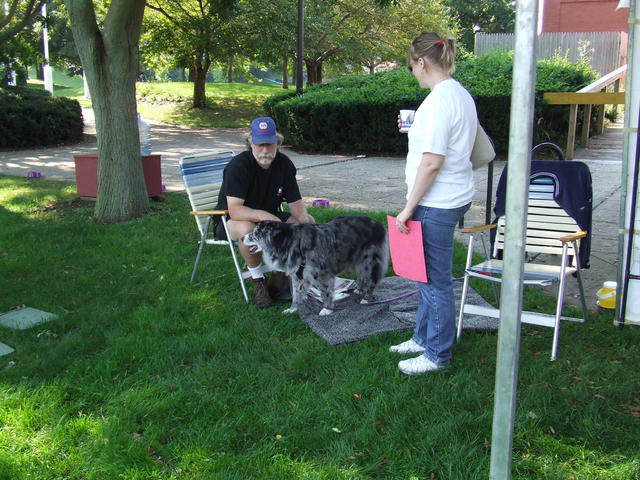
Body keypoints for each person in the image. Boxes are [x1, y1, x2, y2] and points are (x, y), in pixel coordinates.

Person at [389, 32, 476, 375]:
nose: (413, 73)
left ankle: (437, 354)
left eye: (411, 66)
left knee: (434, 281)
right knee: (424, 275)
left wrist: (408, 208)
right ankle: (422, 337)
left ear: (422, 62)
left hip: (436, 202)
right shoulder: (458, 94)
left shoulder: (440, 101)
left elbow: (432, 162)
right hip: (450, 197)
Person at [215, 117, 314, 307]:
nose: (265, 150)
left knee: (306, 221)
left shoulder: (285, 164)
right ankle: (258, 280)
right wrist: (263, 216)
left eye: (269, 144)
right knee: (248, 229)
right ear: (250, 143)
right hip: (232, 221)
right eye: (260, 145)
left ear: (278, 143)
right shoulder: (238, 166)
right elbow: (235, 210)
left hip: (270, 217)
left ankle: (281, 275)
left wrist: (307, 227)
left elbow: (296, 204)